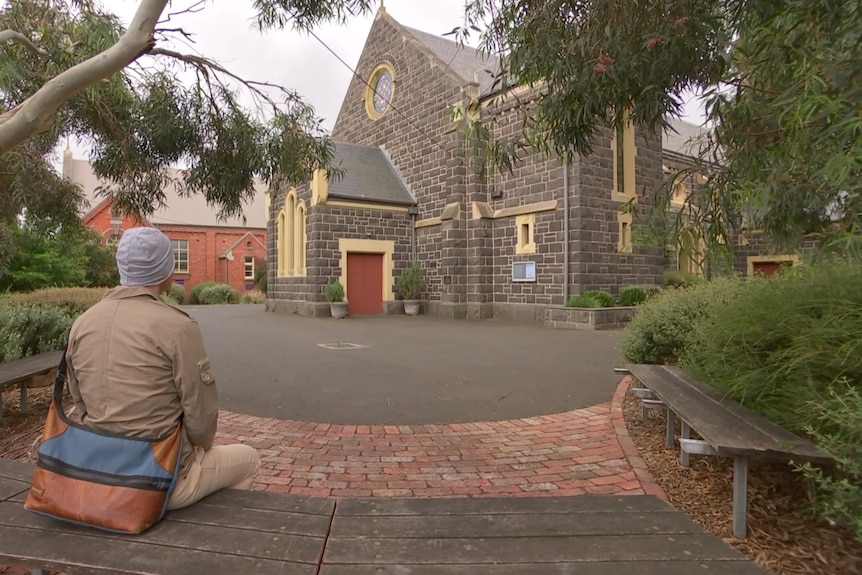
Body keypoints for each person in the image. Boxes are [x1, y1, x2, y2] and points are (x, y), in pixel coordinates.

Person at [65, 226, 259, 510]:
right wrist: (199, 449)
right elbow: (201, 420)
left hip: (99, 469)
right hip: (158, 479)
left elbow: (79, 402)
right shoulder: (178, 326)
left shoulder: (83, 322)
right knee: (249, 460)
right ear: (165, 270)